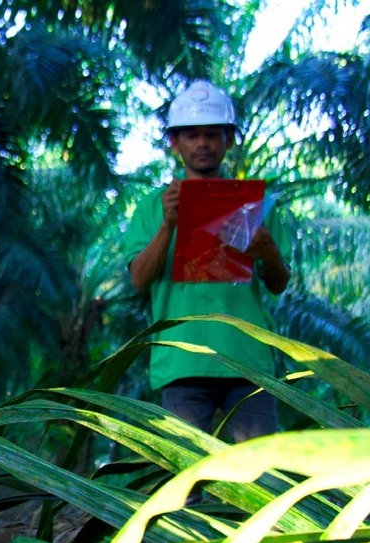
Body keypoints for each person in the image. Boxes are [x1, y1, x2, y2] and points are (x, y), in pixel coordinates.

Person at [122, 79, 292, 443]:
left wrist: (268, 251)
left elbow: (278, 283)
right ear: (175, 143)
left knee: (262, 473)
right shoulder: (152, 207)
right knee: (184, 474)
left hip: (247, 360)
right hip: (182, 361)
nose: (202, 143)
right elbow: (138, 280)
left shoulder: (256, 204)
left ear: (228, 139)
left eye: (212, 134)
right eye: (192, 135)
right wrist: (168, 225)